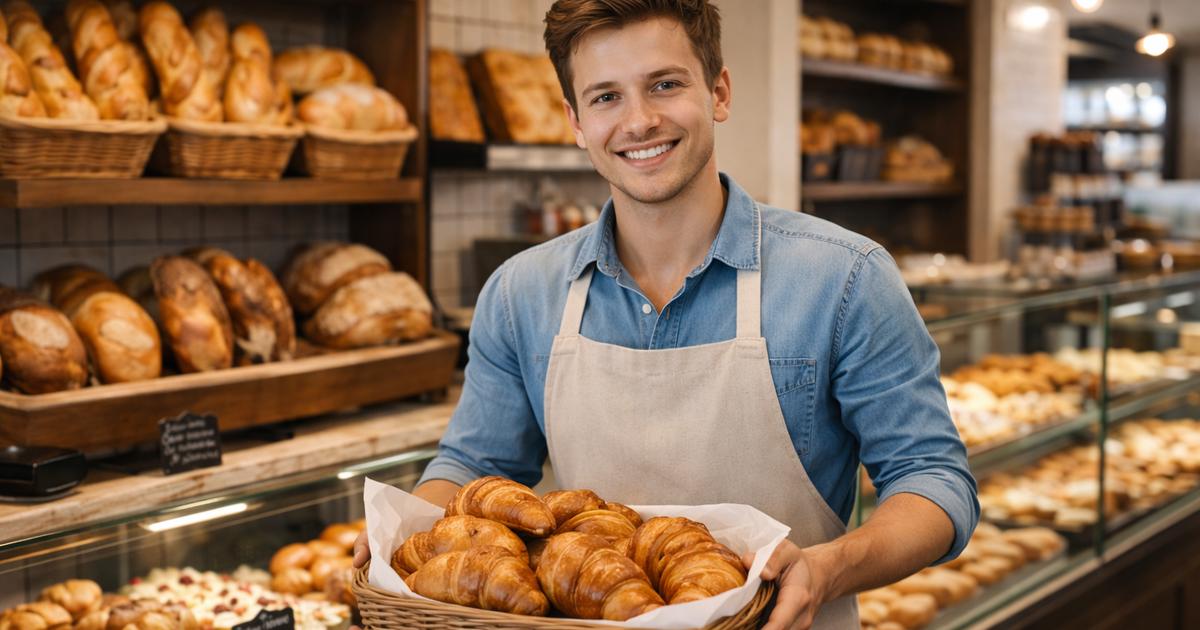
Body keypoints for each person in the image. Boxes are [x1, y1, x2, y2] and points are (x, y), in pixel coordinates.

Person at [354, 1, 978, 628]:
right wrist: (404, 534)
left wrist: (828, 567)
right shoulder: (521, 292)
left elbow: (933, 482)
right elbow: (473, 468)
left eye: (665, 84)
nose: (640, 121)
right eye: (605, 98)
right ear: (575, 122)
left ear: (719, 91)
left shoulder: (844, 279)